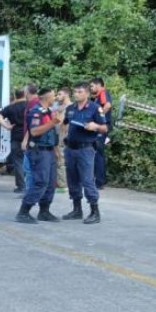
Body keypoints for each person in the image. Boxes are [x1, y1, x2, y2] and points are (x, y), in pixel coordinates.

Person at [62, 82, 108, 224]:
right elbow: (64, 123)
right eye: (75, 91)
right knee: (72, 179)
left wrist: (96, 126)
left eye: (80, 92)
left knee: (87, 180)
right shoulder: (70, 108)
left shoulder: (95, 108)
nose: (77, 94)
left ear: (87, 94)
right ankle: (77, 210)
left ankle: (95, 212)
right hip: (70, 148)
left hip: (85, 149)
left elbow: (105, 128)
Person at [16, 87, 61, 223]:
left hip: (49, 151)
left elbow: (52, 134)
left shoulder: (48, 112)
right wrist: (53, 122)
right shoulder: (35, 112)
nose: (55, 98)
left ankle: (44, 211)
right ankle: (23, 212)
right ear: (47, 98)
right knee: (40, 182)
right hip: (39, 151)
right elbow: (34, 131)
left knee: (50, 182)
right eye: (53, 96)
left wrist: (56, 151)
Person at [0, 89, 26, 192]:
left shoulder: (10, 108)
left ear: (15, 96)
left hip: (16, 137)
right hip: (30, 136)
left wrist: (6, 126)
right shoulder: (30, 106)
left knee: (18, 161)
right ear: (25, 95)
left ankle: (21, 186)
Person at [89, 77, 113, 188]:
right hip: (101, 128)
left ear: (98, 85)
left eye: (92, 86)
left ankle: (99, 182)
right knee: (98, 154)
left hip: (102, 128)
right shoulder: (98, 96)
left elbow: (107, 105)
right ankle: (100, 180)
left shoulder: (103, 93)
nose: (91, 88)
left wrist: (99, 117)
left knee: (98, 154)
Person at [52, 87, 72, 190]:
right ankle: (59, 181)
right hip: (56, 134)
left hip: (63, 135)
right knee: (57, 158)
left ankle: (62, 184)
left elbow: (66, 124)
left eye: (60, 94)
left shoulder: (71, 107)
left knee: (61, 158)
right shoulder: (57, 106)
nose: (57, 96)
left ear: (66, 95)